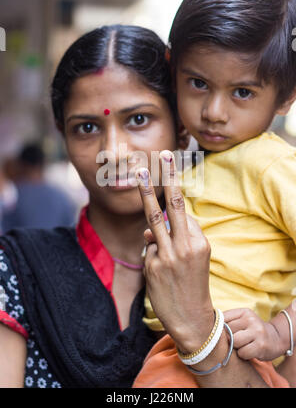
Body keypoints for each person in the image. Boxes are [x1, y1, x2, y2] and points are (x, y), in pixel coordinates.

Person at [134, 0, 296, 388]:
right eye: (198, 83)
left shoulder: (271, 165)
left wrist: (282, 329)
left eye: (242, 92)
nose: (214, 112)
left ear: (286, 99)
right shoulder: (197, 159)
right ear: (174, 71)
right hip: (176, 346)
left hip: (232, 354)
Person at [0, 24, 186, 388]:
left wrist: (199, 330)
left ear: (181, 128)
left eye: (137, 119)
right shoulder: (17, 270)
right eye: (86, 127)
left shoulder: (233, 260)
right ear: (62, 135)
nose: (113, 153)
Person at [2, 143, 77, 232]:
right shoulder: (61, 197)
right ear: (43, 163)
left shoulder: (13, 196)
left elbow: (5, 230)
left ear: (21, 165)